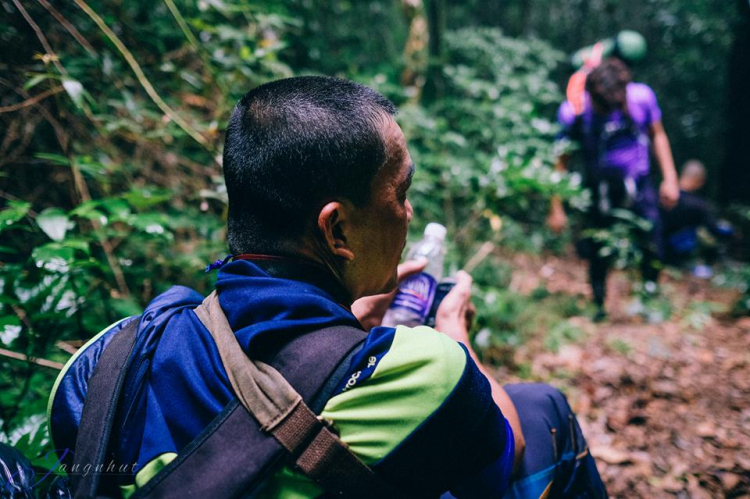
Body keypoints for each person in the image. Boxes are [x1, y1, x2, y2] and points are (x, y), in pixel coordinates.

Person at [49, 76, 607, 498]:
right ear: (337, 229)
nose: (409, 212)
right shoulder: (426, 372)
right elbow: (503, 458)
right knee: (542, 407)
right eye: (401, 192)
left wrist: (343, 333)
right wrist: (456, 337)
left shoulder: (105, 362)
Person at [548, 57, 680, 320]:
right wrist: (556, 208)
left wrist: (670, 178)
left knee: (651, 241)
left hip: (639, 185)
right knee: (597, 247)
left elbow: (658, 134)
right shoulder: (572, 112)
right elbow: (560, 161)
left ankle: (648, 299)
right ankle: (599, 303)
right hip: (599, 190)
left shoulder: (641, 98)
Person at [662, 160, 733, 270]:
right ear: (700, 181)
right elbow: (714, 229)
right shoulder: (699, 205)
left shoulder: (663, 198)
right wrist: (730, 231)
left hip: (658, 252)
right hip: (682, 259)